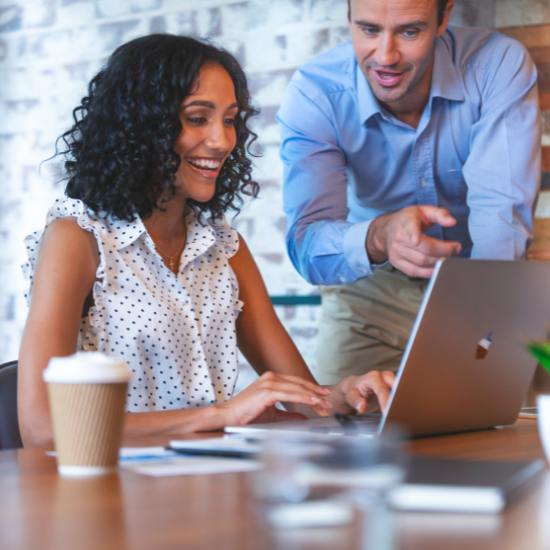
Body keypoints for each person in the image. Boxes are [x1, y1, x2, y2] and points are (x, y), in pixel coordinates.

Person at [18, 34, 395, 448]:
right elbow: (42, 428)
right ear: (142, 125)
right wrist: (221, 416)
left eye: (230, 119)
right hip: (115, 494)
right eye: (198, 118)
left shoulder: (223, 247)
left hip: (207, 485)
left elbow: (308, 402)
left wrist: (346, 395)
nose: (222, 141)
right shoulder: (78, 239)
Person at [278, 0, 541, 392]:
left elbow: (500, 215)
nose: (385, 57)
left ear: (444, 17)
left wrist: (486, 327)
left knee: (509, 433)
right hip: (370, 294)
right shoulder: (316, 94)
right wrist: (380, 236)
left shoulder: (496, 64)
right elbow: (308, 245)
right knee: (353, 439)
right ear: (348, 17)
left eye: (409, 31)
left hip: (479, 279)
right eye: (368, 30)